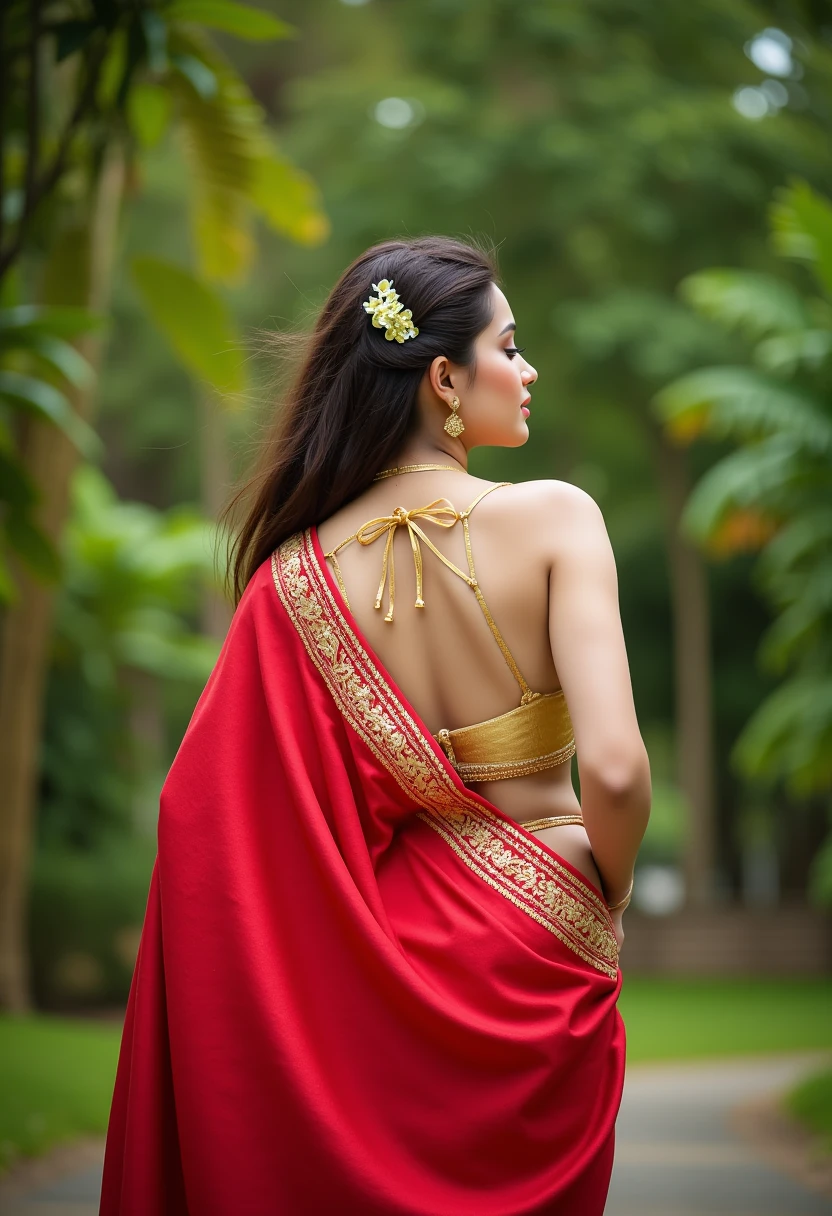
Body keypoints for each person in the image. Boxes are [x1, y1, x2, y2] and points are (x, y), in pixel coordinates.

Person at [100, 236, 651, 1215]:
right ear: (443, 376)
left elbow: (205, 823)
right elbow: (613, 769)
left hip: (392, 967)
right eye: (509, 346)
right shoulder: (557, 518)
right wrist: (599, 893)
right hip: (537, 945)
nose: (527, 373)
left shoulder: (292, 578)